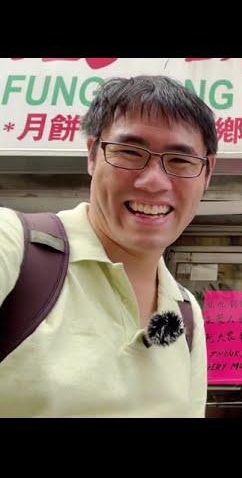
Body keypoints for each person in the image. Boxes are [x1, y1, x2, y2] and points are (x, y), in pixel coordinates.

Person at [0, 76, 217, 417]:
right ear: (92, 155)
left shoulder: (186, 312)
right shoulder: (13, 246)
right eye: (130, 153)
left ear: (206, 174)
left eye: (180, 161)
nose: (153, 182)